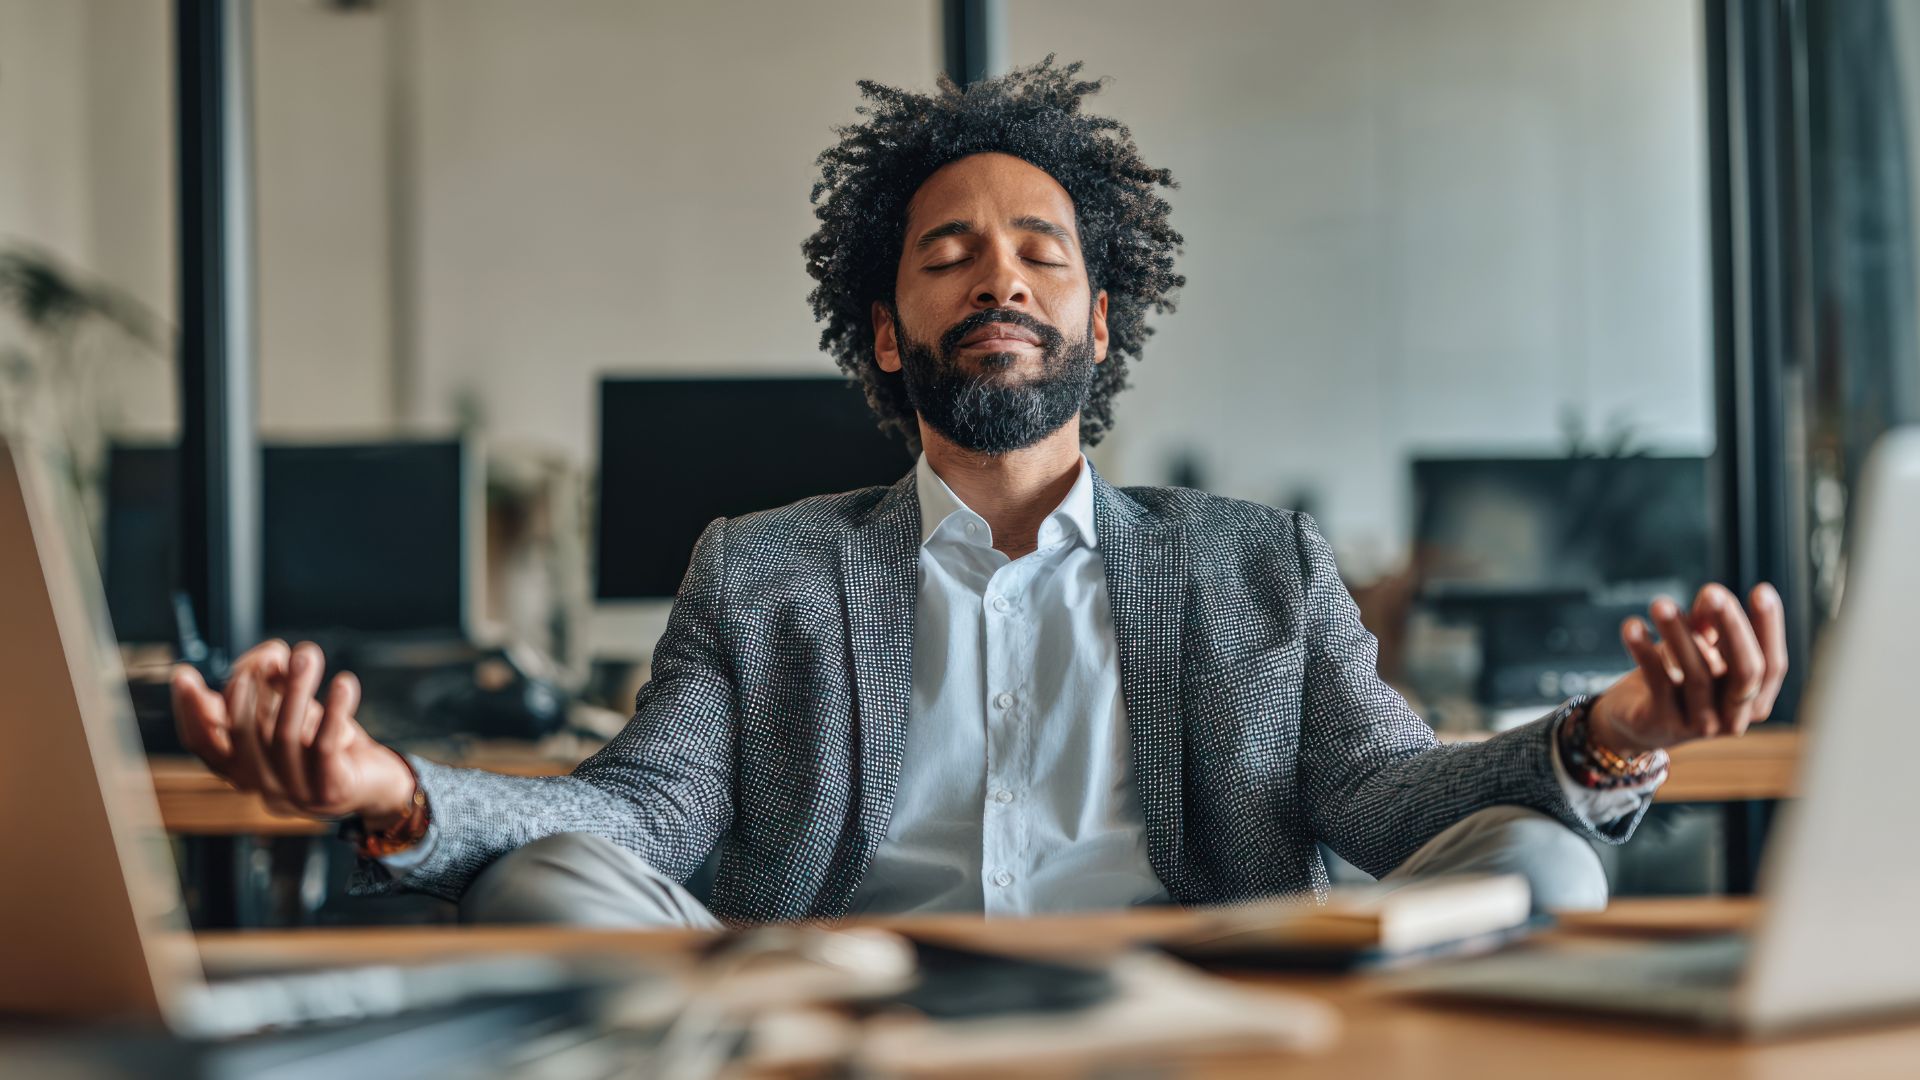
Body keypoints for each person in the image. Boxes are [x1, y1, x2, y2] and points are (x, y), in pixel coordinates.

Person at [171, 59, 1789, 928]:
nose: (997, 278)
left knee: (1550, 868)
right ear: (886, 331)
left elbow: (1385, 799)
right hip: (838, 1018)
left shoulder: (1256, 566)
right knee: (541, 879)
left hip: (1199, 1000)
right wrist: (395, 788)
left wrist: (1614, 732)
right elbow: (638, 820)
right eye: (947, 255)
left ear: (1101, 320)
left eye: (1040, 255)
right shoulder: (763, 571)